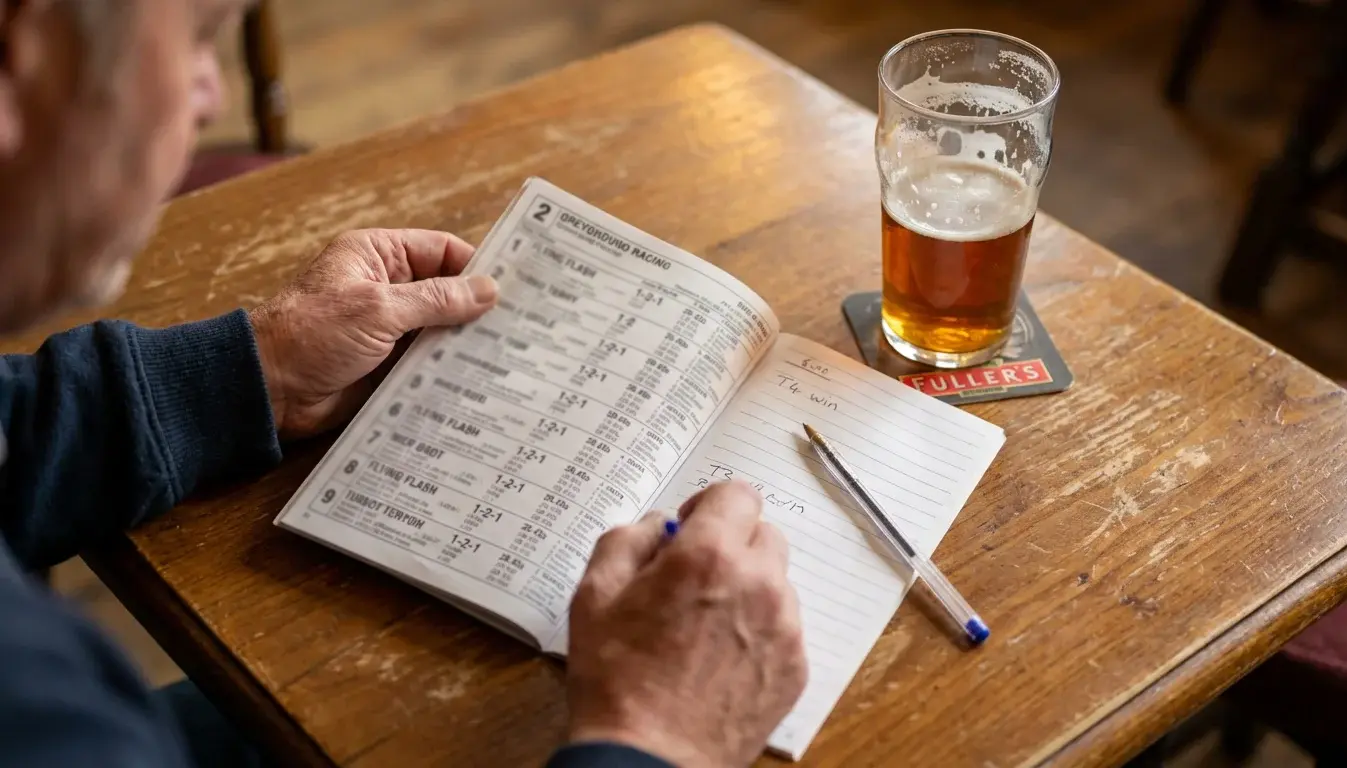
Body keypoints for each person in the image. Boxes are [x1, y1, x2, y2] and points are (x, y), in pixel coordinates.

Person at [0, 1, 808, 767]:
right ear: (17, 50)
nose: (212, 95)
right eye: (198, 35)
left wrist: (264, 372)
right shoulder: (48, 711)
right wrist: (657, 740)